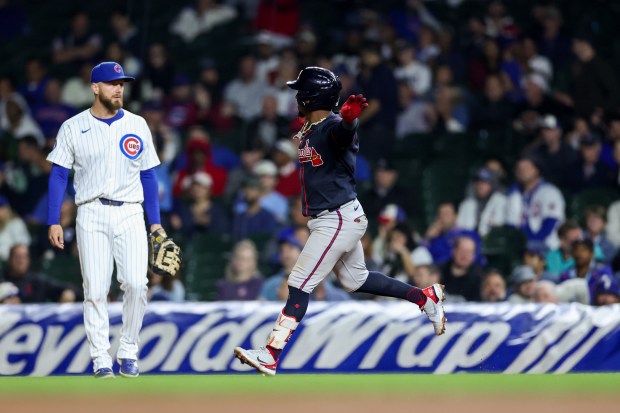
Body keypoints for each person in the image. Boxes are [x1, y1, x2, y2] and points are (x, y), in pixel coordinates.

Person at [234, 66, 446, 376]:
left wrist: (349, 120)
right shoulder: (310, 127)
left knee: (298, 283)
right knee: (355, 280)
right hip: (334, 217)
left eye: (299, 92)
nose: (295, 97)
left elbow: (343, 134)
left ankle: (270, 353)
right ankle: (424, 298)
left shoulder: (333, 125)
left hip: (337, 217)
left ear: (310, 96)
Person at [46, 62, 168, 379]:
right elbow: (59, 174)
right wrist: (54, 219)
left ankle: (128, 351)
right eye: (112, 83)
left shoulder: (138, 124)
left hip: (131, 211)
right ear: (95, 87)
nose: (119, 88)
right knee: (96, 289)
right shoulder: (73, 126)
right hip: (91, 211)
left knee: (137, 285)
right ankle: (101, 358)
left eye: (122, 83)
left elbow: (149, 176)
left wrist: (155, 223)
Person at [505, 156, 565, 250]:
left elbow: (551, 223)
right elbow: (511, 225)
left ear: (536, 170)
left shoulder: (549, 192)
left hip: (548, 246)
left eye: (526, 168)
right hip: (521, 246)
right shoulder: (514, 193)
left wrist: (533, 241)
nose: (522, 171)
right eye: (519, 168)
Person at [1, 244, 77, 303]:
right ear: (9, 259)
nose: (21, 261)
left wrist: (68, 293)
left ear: (29, 260)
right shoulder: (2, 279)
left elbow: (68, 287)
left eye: (24, 257)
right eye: (17, 257)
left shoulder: (37, 281)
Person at [457, 168, 506, 237]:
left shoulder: (500, 201)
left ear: (492, 184)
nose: (480, 185)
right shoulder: (466, 204)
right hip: (469, 243)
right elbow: (460, 229)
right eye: (478, 181)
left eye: (484, 182)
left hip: (492, 243)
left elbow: (499, 226)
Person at [439, 235, 484, 301]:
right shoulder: (439, 272)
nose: (465, 255)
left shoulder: (480, 277)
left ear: (473, 256)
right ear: (453, 251)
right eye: (462, 250)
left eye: (469, 252)